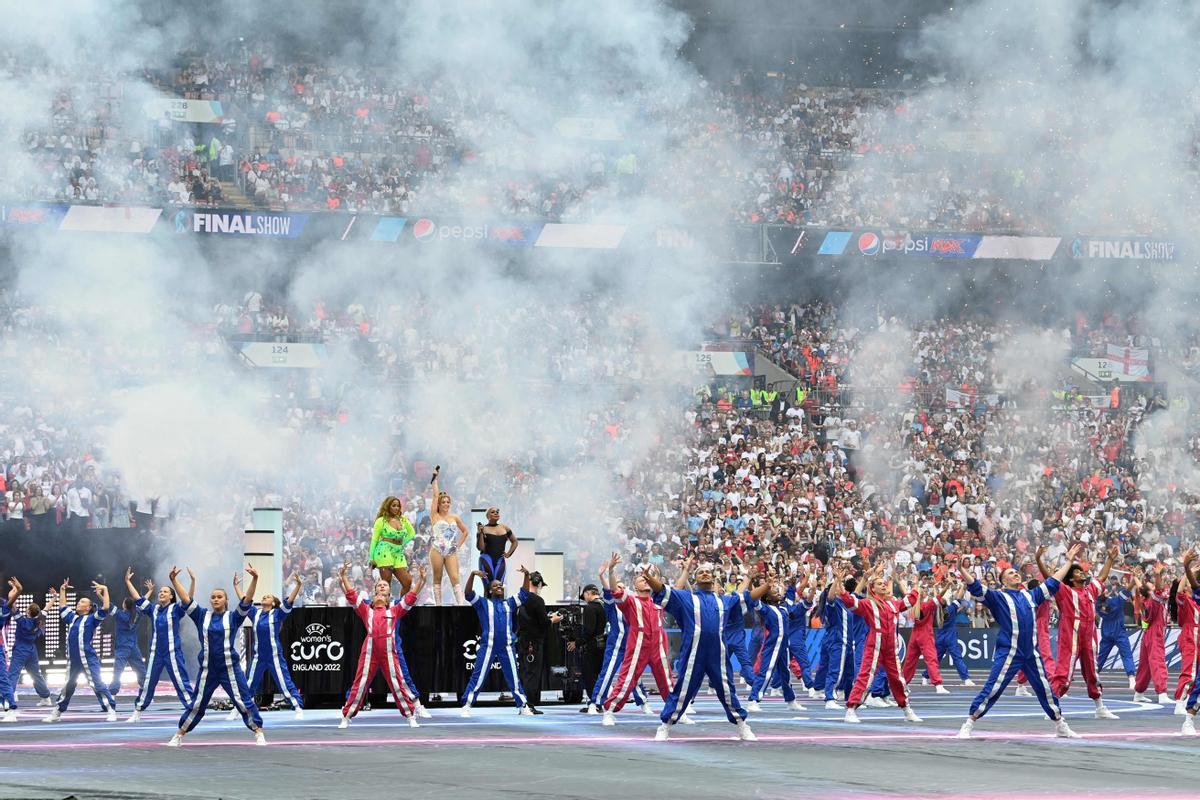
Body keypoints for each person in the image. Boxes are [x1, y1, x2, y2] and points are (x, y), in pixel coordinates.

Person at [955, 546, 1082, 739]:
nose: (1016, 574)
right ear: (1003, 581)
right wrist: (962, 570)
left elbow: (1054, 581)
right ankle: (969, 723)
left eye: (1016, 572)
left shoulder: (1030, 595)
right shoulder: (998, 597)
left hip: (1031, 653)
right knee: (994, 687)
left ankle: (1060, 724)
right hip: (1009, 652)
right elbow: (975, 587)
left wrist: (1069, 561)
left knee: (1045, 689)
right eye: (1011, 573)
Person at [642, 556, 756, 742]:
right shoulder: (687, 598)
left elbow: (741, 597)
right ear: (695, 579)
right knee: (682, 690)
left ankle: (742, 725)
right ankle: (665, 726)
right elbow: (663, 590)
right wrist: (650, 579)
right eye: (700, 572)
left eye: (707, 572)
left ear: (713, 579)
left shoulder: (723, 601)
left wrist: (749, 580)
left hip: (717, 655)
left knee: (727, 690)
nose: (704, 573)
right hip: (693, 653)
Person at [166, 565, 265, 747]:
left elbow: (248, 600)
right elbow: (186, 600)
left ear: (226, 600)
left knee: (244, 700)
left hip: (230, 668)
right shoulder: (202, 615)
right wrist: (174, 581)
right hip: (208, 669)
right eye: (213, 597)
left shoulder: (234, 617)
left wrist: (255, 579)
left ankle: (258, 731)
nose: (215, 599)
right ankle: (180, 734)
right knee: (197, 704)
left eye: (219, 597)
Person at [337, 563, 427, 729]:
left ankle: (410, 715)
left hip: (388, 651)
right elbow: (351, 594)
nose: (380, 593)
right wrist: (343, 576)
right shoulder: (366, 610)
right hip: (369, 651)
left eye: (383, 590)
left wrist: (421, 580)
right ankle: (347, 716)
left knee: (397, 683)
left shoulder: (394, 610)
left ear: (387, 600)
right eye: (378, 589)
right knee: (360, 683)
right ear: (373, 597)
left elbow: (411, 597)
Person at [1035, 542, 1118, 719]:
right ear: (1071, 578)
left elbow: (1102, 577)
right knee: (1064, 673)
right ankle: (1053, 706)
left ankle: (1100, 707)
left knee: (1093, 672)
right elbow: (1050, 579)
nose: (1083, 573)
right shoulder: (1064, 591)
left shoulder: (1090, 590)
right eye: (1078, 572)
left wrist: (1110, 560)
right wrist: (1038, 560)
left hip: (1089, 636)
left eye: (1082, 571)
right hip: (1070, 636)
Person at [837, 564, 921, 723]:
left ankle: (906, 709)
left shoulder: (893, 604)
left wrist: (916, 584)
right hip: (874, 647)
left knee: (898, 678)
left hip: (891, 649)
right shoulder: (868, 604)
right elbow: (848, 600)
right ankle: (850, 709)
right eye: (880, 584)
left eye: (884, 583)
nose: (884, 585)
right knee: (865, 677)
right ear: (872, 588)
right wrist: (839, 582)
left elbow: (910, 600)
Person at [599, 555, 675, 724]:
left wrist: (657, 574)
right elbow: (615, 591)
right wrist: (611, 571)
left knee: (666, 679)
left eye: (646, 579)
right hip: (638, 645)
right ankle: (609, 711)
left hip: (658, 645)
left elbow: (668, 587)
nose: (645, 582)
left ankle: (676, 710)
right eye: (641, 580)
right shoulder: (630, 600)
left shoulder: (658, 600)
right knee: (626, 679)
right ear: (634, 586)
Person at [124, 566, 196, 722]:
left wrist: (191, 581)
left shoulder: (176, 609)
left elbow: (187, 599)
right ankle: (138, 710)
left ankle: (192, 709)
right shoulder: (153, 609)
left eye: (165, 591)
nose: (161, 593)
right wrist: (128, 582)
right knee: (148, 682)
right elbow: (138, 598)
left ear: (171, 596)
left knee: (181, 681)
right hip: (156, 653)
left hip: (172, 653)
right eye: (160, 591)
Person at [44, 578, 119, 723]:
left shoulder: (93, 618)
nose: (79, 603)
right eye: (79, 601)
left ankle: (111, 710)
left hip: (88, 658)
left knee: (98, 684)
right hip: (73, 660)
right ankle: (57, 711)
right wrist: (62, 590)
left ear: (89, 607)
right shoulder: (73, 618)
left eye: (83, 602)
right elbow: (62, 607)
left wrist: (105, 590)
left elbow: (105, 608)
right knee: (68, 685)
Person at [460, 568, 533, 717]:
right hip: (489, 646)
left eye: (500, 585)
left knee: (514, 677)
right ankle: (467, 705)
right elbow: (468, 594)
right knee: (478, 676)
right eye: (495, 586)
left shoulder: (509, 603)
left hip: (507, 646)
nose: (499, 587)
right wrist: (472, 575)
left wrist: (526, 575)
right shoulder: (483, 603)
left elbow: (524, 594)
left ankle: (523, 705)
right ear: (490, 591)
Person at [589, 558, 650, 715]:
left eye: (622, 587)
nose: (620, 589)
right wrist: (603, 575)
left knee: (634, 674)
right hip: (616, 644)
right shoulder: (611, 604)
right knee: (607, 673)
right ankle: (595, 702)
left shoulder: (632, 602)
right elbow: (609, 590)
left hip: (632, 643)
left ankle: (642, 701)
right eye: (617, 586)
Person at [241, 572, 305, 719]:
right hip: (258, 656)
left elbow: (289, 600)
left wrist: (299, 585)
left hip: (274, 655)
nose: (264, 597)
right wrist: (236, 587)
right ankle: (241, 708)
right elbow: (244, 601)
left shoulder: (278, 614)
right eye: (263, 596)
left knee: (284, 682)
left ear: (274, 603)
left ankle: (297, 707)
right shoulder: (254, 613)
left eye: (268, 596)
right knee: (249, 683)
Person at [744, 567, 806, 712]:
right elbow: (752, 598)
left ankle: (791, 700)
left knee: (785, 673)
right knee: (766, 671)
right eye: (773, 590)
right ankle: (754, 699)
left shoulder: (784, 608)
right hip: (773, 645)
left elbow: (790, 596)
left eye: (778, 590)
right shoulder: (765, 608)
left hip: (784, 646)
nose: (778, 592)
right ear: (766, 596)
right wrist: (752, 582)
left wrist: (792, 583)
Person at [515, 567, 562, 714]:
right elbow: (543, 622)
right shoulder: (537, 600)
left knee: (524, 672)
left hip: (522, 640)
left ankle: (524, 704)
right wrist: (553, 619)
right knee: (532, 674)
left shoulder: (520, 599)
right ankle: (528, 705)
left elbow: (530, 619)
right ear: (539, 584)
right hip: (533, 643)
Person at [6, 589, 54, 714]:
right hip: (32, 650)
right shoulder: (40, 619)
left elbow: (12, 604)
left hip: (21, 649)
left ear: (28, 611)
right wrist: (54, 597)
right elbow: (47, 608)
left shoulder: (22, 621)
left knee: (13, 674)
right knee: (36, 674)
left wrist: (14, 591)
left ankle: (8, 699)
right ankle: (45, 697)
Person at [816, 569, 857, 710]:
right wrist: (837, 580)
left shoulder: (845, 603)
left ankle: (850, 698)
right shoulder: (833, 605)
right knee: (836, 670)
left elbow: (856, 592)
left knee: (849, 672)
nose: (842, 588)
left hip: (846, 642)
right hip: (838, 640)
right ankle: (830, 698)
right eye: (839, 587)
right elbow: (830, 597)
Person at [429, 466, 469, 605]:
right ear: (438, 504)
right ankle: (438, 606)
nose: (446, 504)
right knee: (437, 578)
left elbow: (465, 531)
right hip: (437, 549)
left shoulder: (455, 517)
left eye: (448, 502)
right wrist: (435, 479)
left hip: (450, 550)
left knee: (454, 577)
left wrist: (458, 545)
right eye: (443, 502)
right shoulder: (435, 516)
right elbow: (435, 495)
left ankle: (461, 605)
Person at [902, 578, 950, 694]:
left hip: (915, 634)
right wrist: (947, 585)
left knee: (909, 662)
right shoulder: (928, 605)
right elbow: (940, 596)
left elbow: (905, 593)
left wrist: (914, 585)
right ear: (922, 595)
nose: (925, 591)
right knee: (931, 660)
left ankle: (903, 685)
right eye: (923, 590)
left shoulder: (913, 607)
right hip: (925, 635)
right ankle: (938, 685)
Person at [1131, 570, 1170, 704]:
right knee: (1157, 662)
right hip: (1155, 633)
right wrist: (1158, 575)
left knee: (1145, 665)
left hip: (1147, 634)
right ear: (1149, 592)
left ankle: (1139, 692)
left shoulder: (1144, 599)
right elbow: (1158, 589)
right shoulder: (1154, 599)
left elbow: (1142, 587)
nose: (1154, 586)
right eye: (1152, 586)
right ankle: (1162, 693)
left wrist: (1136, 577)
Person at [925, 581, 974, 687]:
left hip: (940, 636)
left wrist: (935, 587)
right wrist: (961, 586)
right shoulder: (951, 609)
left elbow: (936, 598)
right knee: (957, 658)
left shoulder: (936, 610)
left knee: (936, 659)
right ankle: (966, 679)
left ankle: (925, 676)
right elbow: (959, 598)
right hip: (950, 637)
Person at [1096, 575, 1136, 692]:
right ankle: (1131, 678)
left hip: (1106, 631)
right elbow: (1127, 590)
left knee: (1101, 657)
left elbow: (1102, 605)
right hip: (1118, 631)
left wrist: (1104, 596)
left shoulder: (1097, 605)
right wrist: (1133, 581)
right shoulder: (1115, 601)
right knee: (1126, 654)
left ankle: (1093, 676)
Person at [370, 496, 416, 594]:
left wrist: (402, 543)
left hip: (398, 553)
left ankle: (400, 606)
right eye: (393, 505)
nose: (396, 508)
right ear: (388, 506)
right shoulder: (381, 520)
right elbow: (374, 540)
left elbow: (412, 533)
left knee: (408, 581)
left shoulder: (403, 519)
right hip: (384, 551)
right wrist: (371, 558)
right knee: (386, 585)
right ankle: (384, 607)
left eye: (398, 506)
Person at [1177, 549, 1200, 734]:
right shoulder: (1192, 600)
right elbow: (1193, 584)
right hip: (1192, 639)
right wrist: (1187, 567)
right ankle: (1188, 719)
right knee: (1196, 679)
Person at [1171, 568, 1200, 714]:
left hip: (1195, 637)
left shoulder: (1194, 602)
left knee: (1196, 673)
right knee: (1190, 672)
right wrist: (1187, 571)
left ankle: (1189, 699)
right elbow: (1179, 593)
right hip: (1191, 637)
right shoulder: (1186, 602)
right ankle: (1180, 703)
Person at [106, 596, 147, 697]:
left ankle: (112, 692)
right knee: (141, 670)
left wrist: (101, 594)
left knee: (118, 671)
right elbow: (143, 601)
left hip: (122, 647)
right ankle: (145, 691)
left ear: (124, 605)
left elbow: (107, 604)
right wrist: (150, 591)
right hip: (133, 646)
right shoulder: (137, 613)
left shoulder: (119, 614)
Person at [577, 581, 608, 713]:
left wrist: (578, 642)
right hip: (605, 644)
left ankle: (594, 702)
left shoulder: (590, 608)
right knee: (600, 674)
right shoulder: (606, 606)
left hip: (592, 646)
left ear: (588, 594)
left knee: (590, 675)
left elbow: (589, 630)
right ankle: (601, 701)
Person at [477, 507, 517, 584]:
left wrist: (509, 554)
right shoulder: (483, 529)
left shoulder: (505, 528)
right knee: (488, 588)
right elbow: (480, 548)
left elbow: (515, 541)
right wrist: (480, 533)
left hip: (500, 560)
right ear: (488, 516)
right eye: (493, 512)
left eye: (497, 512)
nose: (496, 513)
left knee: (499, 586)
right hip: (486, 560)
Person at [0, 578, 21, 720]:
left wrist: (17, 590)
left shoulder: (2, 612)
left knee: (2, 679)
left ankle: (12, 708)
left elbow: (11, 600)